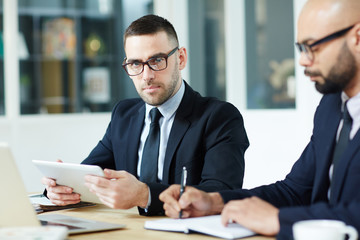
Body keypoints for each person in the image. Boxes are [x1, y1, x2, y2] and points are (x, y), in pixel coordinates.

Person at [159, 0, 360, 238]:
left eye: (313, 47)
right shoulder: (331, 107)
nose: (303, 61)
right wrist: (214, 202)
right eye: (301, 48)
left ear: (357, 38)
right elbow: (295, 191)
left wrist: (277, 219)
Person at [41, 14, 249, 216]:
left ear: (181, 58)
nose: (147, 75)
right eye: (135, 64)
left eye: (157, 60)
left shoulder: (219, 117)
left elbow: (221, 194)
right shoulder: (124, 115)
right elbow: (89, 175)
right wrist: (60, 188)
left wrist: (145, 195)